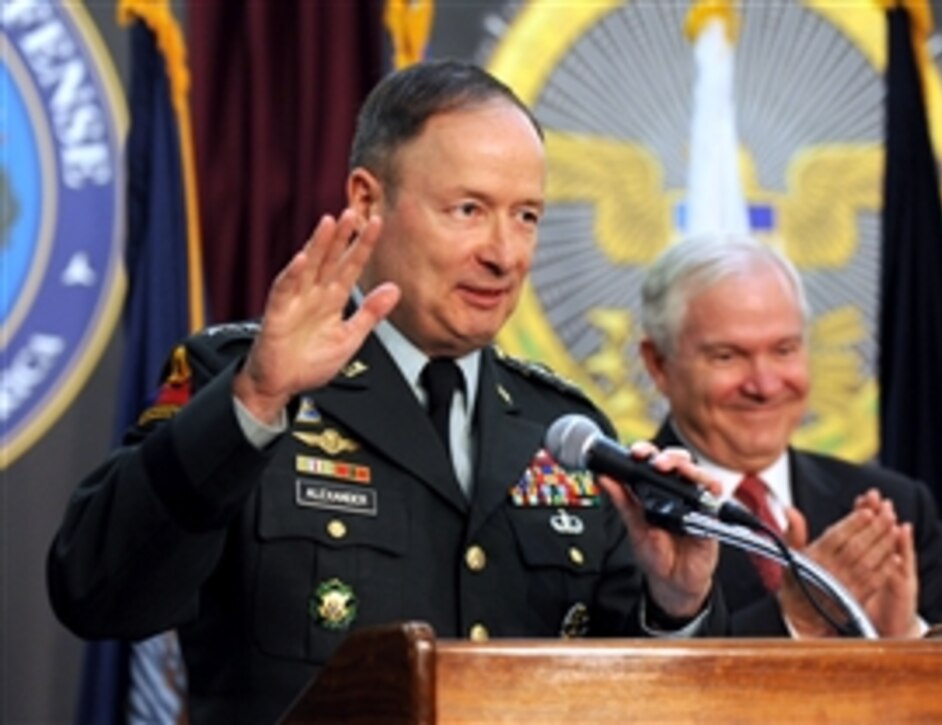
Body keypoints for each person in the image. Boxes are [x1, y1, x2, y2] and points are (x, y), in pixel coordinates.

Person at [47, 60, 723, 723]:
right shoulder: (247, 380)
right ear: (368, 201)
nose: (505, 253)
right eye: (469, 209)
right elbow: (97, 591)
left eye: (526, 216)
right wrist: (252, 401)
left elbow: (632, 700)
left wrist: (674, 609)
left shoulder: (563, 429)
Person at [639, 235, 942, 638]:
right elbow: (622, 690)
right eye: (727, 356)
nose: (764, 384)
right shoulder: (620, 514)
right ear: (658, 364)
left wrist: (902, 639)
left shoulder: (895, 509)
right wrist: (793, 619)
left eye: (784, 350)